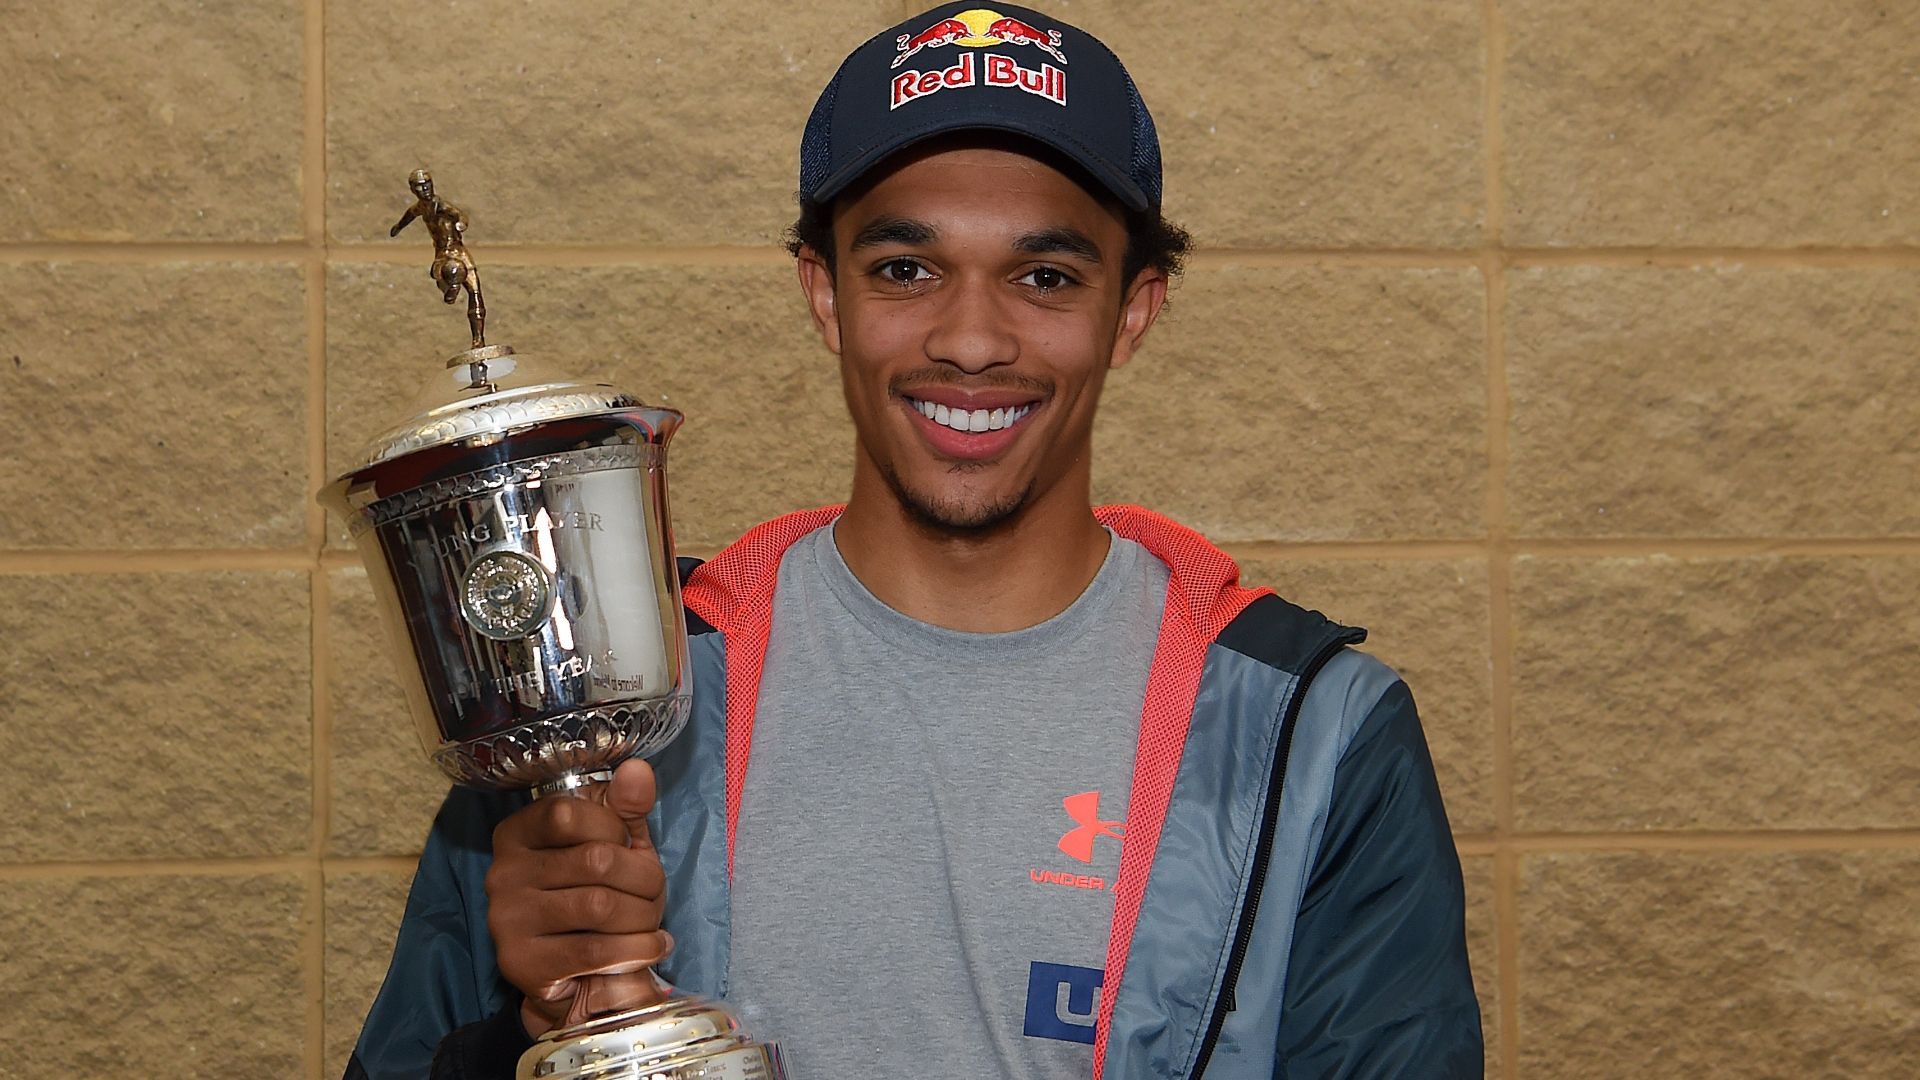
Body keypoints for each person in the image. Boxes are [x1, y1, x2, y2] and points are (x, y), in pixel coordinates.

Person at [345, 4, 1482, 1077]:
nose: (972, 340)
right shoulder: (609, 689)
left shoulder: (1309, 731)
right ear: (824, 295)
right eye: (905, 270)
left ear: (1133, 310)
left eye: (1045, 276)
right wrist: (523, 1031)